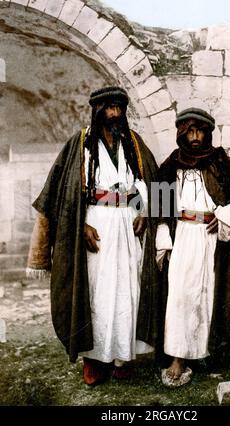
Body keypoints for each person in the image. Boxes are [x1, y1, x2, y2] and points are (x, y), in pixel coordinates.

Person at [26, 86, 159, 386]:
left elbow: (149, 181)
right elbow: (59, 190)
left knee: (128, 288)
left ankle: (123, 358)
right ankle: (94, 360)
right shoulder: (81, 144)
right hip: (94, 225)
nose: (114, 114)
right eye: (108, 108)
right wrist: (79, 224)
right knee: (97, 291)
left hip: (127, 224)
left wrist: (145, 213)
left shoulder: (134, 143)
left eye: (119, 108)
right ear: (97, 110)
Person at [155, 108, 230, 387]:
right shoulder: (170, 165)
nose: (195, 138)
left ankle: (204, 354)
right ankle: (178, 357)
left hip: (213, 239)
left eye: (200, 132)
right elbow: (160, 204)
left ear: (208, 133)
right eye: (190, 132)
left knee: (209, 295)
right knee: (181, 295)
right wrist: (164, 235)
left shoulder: (220, 161)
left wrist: (223, 216)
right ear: (181, 133)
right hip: (184, 236)